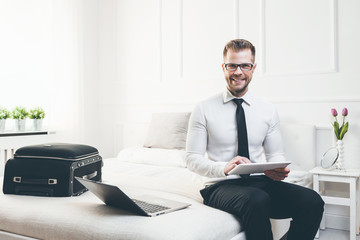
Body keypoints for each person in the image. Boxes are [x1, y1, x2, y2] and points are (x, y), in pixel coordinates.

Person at [185, 39, 324, 240]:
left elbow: (275, 154)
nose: (238, 72)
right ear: (223, 67)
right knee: (257, 199)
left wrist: (277, 170)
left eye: (245, 65)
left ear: (253, 68)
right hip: (220, 185)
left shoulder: (267, 110)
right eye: (232, 65)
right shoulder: (203, 108)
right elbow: (192, 158)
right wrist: (224, 167)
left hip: (260, 182)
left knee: (312, 200)